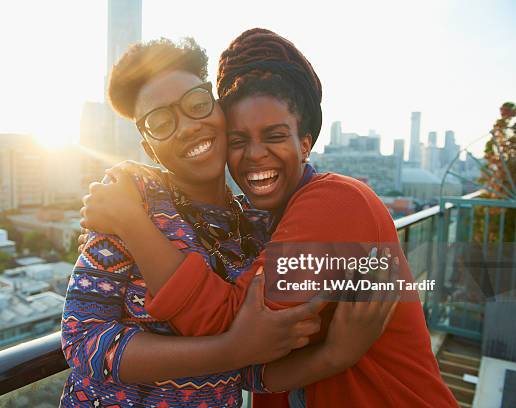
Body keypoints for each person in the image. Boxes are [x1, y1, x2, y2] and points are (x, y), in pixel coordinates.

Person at [80, 29, 458, 408]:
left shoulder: (336, 202)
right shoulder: (256, 223)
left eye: (274, 135)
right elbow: (247, 357)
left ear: (305, 143)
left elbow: (235, 330)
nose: (256, 154)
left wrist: (132, 223)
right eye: (240, 140)